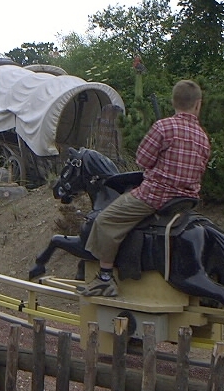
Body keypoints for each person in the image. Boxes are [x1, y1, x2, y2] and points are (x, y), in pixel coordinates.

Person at [78, 80, 211, 298]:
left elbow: (143, 160)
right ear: (198, 104)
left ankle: (105, 278)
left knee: (105, 220)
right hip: (186, 200)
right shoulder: (202, 136)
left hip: (155, 196)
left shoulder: (163, 127)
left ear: (173, 101)